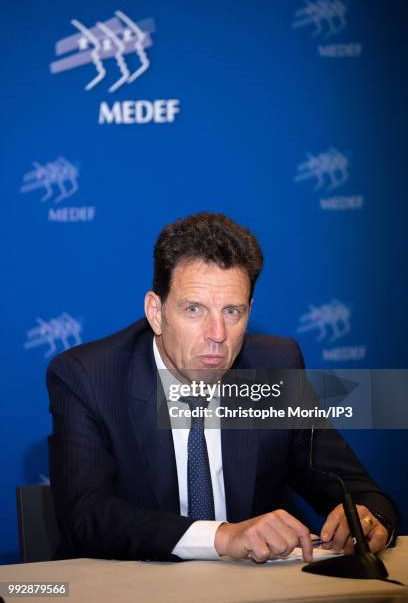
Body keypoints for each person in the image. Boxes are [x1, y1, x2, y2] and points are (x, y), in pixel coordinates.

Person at [47, 212, 398, 563]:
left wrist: (368, 519)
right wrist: (222, 536)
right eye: (195, 309)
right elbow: (87, 516)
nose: (217, 335)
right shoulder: (89, 377)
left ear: (250, 311)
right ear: (157, 312)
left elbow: (358, 490)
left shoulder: (272, 370)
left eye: (232, 311)